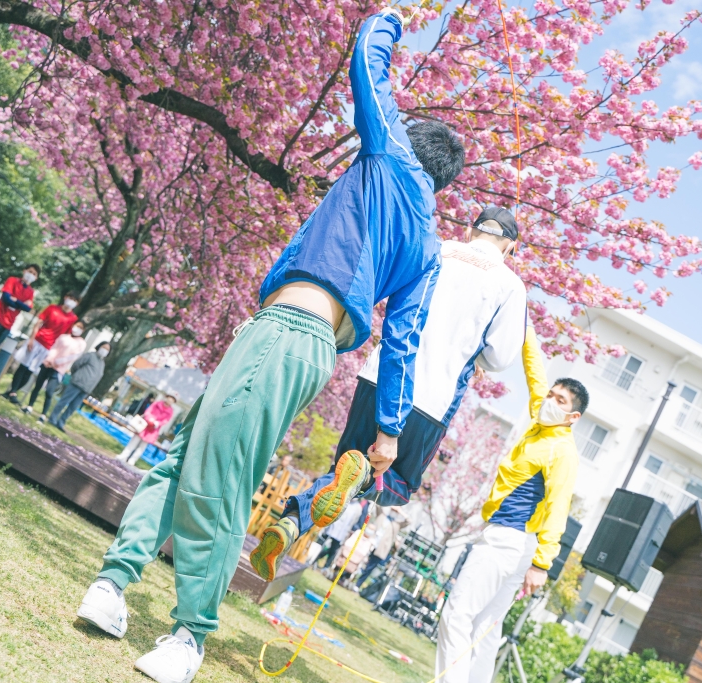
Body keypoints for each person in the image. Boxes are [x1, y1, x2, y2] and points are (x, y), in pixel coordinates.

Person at [76, 8, 465, 682]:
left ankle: (189, 637)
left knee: (220, 478)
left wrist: (393, 19)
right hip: (300, 344)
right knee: (184, 458)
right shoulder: (429, 249)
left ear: (410, 139)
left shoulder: (388, 153)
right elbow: (402, 342)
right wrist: (390, 433)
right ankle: (111, 584)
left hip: (287, 333)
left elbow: (368, 63)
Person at [252, 205, 526, 581]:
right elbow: (501, 355)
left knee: (340, 473)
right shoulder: (510, 285)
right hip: (431, 399)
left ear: (470, 230)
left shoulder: (435, 250)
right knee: (397, 485)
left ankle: (290, 524)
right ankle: (356, 477)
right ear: (509, 247)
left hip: (378, 378)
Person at [434, 324, 588, 683]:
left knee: (457, 615)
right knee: (486, 628)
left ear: (573, 417)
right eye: (551, 395)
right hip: (513, 543)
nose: (550, 400)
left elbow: (558, 507)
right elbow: (534, 369)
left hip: (510, 540)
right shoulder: (540, 418)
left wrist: (542, 563)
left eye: (560, 401)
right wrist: (524, 323)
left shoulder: (562, 450)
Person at [2, 292, 80, 405]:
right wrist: (32, 338)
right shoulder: (53, 308)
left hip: (49, 348)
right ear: (65, 297)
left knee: (30, 371)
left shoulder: (73, 318)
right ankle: (13, 392)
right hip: (38, 340)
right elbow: (39, 322)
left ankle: (12, 392)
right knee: (23, 367)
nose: (71, 301)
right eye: (70, 298)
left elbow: (65, 337)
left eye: (74, 300)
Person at [28, 321, 88, 420]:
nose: (77, 328)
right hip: (47, 364)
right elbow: (54, 348)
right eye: (76, 326)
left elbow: (73, 356)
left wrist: (57, 362)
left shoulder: (81, 343)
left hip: (58, 369)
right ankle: (30, 406)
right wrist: (49, 359)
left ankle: (43, 415)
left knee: (49, 391)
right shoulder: (63, 337)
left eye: (80, 327)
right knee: (37, 386)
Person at [48, 342, 110, 430]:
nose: (105, 350)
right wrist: (77, 376)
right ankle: (52, 418)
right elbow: (76, 365)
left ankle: (61, 422)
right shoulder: (90, 355)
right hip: (77, 383)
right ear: (99, 347)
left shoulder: (102, 363)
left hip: (86, 389)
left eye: (107, 350)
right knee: (64, 401)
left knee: (73, 407)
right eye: (104, 347)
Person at [354, 506, 407, 591]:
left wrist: (400, 511)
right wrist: (391, 505)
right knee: (358, 559)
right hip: (370, 544)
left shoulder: (396, 524)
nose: (393, 511)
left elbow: (409, 521)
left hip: (381, 549)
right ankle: (346, 577)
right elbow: (378, 505)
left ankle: (357, 585)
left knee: (369, 567)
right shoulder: (382, 516)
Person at [119, 394, 177, 465]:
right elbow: (148, 411)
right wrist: (150, 419)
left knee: (142, 446)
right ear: (167, 397)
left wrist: (157, 423)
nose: (170, 400)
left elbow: (166, 420)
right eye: (170, 398)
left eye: (172, 400)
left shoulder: (170, 411)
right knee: (134, 442)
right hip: (144, 426)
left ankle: (132, 460)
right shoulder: (157, 403)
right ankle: (124, 455)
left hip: (153, 431)